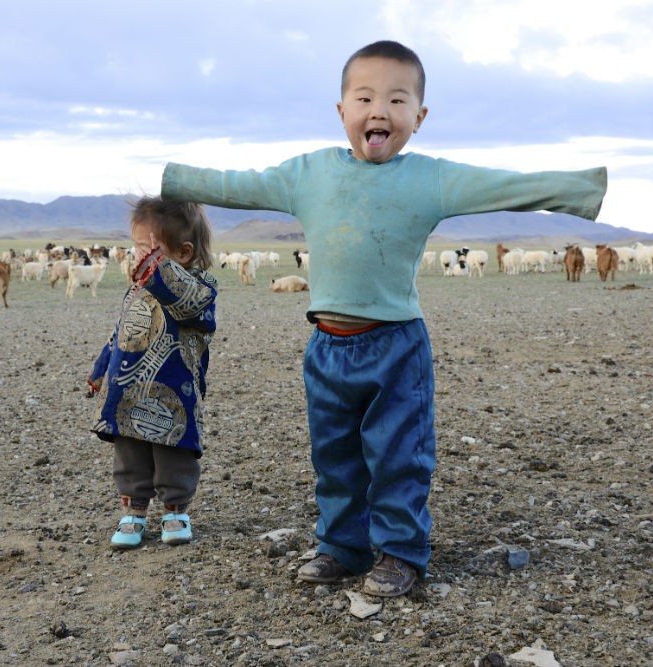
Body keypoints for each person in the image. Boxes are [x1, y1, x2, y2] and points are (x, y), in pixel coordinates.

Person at [160, 40, 607, 596]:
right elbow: (238, 184)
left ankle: (400, 553)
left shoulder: (430, 179)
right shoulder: (308, 174)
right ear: (342, 110)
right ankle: (342, 546)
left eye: (397, 100)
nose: (379, 110)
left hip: (395, 346)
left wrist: (581, 189)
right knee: (336, 455)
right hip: (326, 346)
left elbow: (505, 187)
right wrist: (173, 179)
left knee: (398, 453)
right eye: (365, 97)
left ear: (418, 118)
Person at [87, 196, 218, 550]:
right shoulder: (137, 290)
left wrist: (159, 271)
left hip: (173, 390)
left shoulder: (200, 291)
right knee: (130, 452)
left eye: (150, 249)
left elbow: (189, 305)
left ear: (184, 252)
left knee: (173, 452)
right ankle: (133, 512)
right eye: (137, 247)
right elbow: (121, 332)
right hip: (128, 389)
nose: (140, 256)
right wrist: (100, 370)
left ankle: (176, 510)